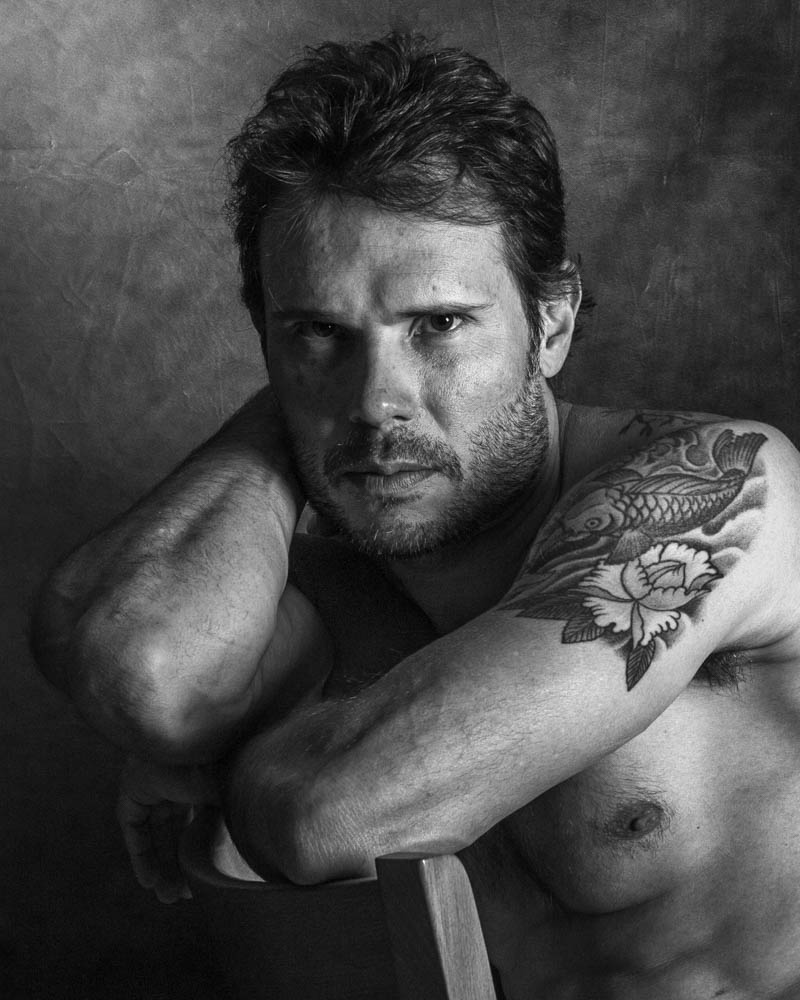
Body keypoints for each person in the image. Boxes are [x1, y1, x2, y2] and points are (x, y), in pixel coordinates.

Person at [31, 32, 800, 999]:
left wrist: (228, 762)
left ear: (552, 323)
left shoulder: (715, 492)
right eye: (319, 332)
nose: (375, 403)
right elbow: (143, 674)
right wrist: (290, 407)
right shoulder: (322, 587)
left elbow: (333, 816)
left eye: (438, 325)